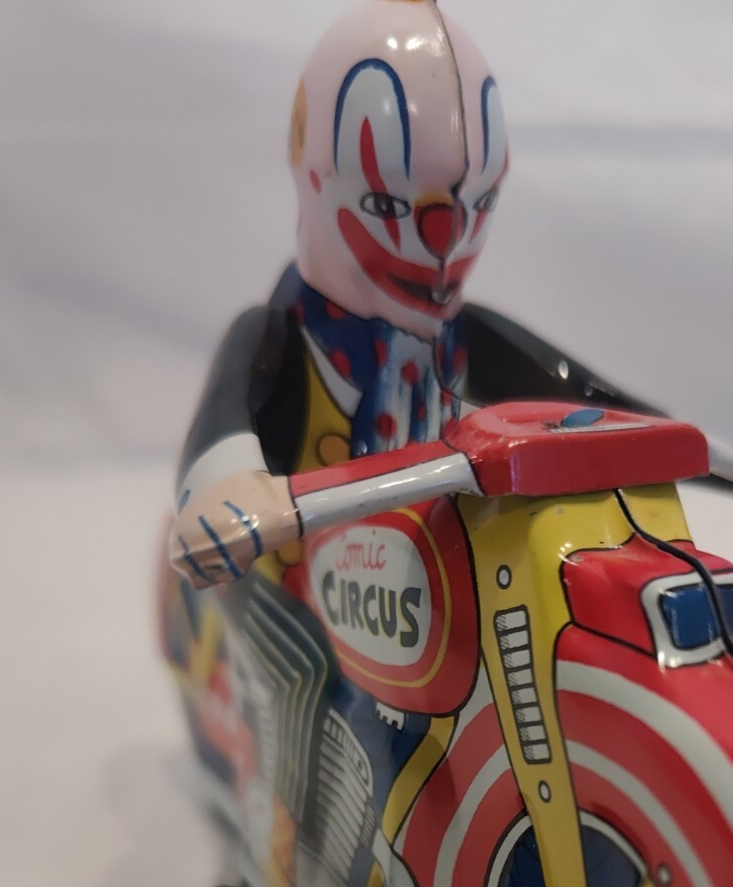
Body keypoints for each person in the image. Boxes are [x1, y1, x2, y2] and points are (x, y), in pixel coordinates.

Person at [169, 0, 509, 590]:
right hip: (297, 597)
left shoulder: (466, 340)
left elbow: (587, 408)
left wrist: (663, 441)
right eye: (385, 205)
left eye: (480, 203)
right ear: (312, 179)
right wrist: (231, 494)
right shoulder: (277, 339)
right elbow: (217, 432)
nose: (445, 245)